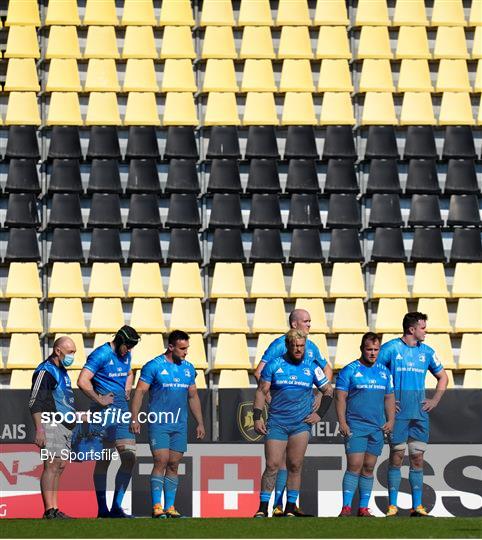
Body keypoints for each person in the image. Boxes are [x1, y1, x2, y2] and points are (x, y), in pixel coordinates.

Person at [253, 309, 333, 516]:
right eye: (295, 346)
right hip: (277, 422)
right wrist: (257, 416)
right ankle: (263, 508)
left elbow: (328, 390)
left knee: (295, 465)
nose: (299, 349)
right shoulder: (275, 364)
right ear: (288, 346)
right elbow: (261, 390)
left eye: (302, 346)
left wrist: (320, 413)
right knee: (272, 465)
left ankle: (289, 507)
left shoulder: (311, 366)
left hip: (301, 423)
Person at [377, 312, 448, 517]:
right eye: (423, 328)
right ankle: (392, 506)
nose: (426, 331)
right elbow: (376, 374)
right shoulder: (390, 349)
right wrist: (386, 400)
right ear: (412, 329)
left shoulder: (427, 352)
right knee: (397, 457)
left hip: (419, 414)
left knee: (417, 459)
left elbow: (443, 378)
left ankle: (417, 506)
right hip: (398, 415)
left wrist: (434, 400)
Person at [130, 330, 205, 519]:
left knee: (173, 464)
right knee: (161, 461)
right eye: (182, 348)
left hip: (180, 424)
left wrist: (200, 423)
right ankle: (157, 506)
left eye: (187, 348)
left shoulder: (189, 368)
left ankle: (170, 507)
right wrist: (134, 417)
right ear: (170, 347)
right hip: (159, 423)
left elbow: (193, 396)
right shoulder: (153, 366)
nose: (186, 352)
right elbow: (139, 392)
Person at [77, 325, 140, 518]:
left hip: (122, 411)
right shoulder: (101, 354)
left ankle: (116, 507)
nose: (129, 350)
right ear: (120, 341)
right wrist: (99, 399)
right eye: (128, 346)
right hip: (104, 412)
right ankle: (103, 509)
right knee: (104, 460)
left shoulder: (125, 354)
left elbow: (129, 372)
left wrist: (128, 388)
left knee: (129, 457)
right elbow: (82, 380)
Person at [336, 332, 395, 517]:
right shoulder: (350, 370)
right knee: (354, 465)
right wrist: (343, 422)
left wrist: (391, 420)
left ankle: (363, 508)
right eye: (369, 349)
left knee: (369, 467)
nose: (372, 353)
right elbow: (340, 398)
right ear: (362, 349)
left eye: (376, 349)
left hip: (376, 427)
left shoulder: (385, 372)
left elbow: (389, 397)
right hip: (356, 426)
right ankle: (346, 507)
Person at [29, 336, 77, 519]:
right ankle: (49, 510)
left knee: (60, 465)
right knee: (51, 466)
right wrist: (39, 429)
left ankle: (55, 508)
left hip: (65, 426)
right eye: (70, 352)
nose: (72, 356)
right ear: (58, 351)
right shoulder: (46, 371)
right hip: (51, 423)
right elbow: (35, 402)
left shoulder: (62, 371)